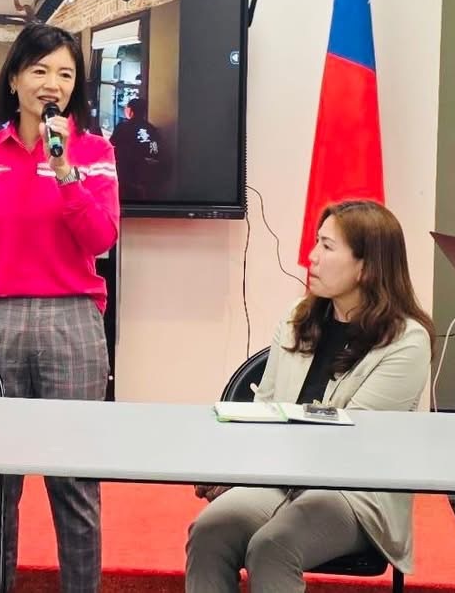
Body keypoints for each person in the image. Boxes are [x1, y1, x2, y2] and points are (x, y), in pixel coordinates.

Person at [0, 22, 119, 592]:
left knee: (75, 481)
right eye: (40, 70)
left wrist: (66, 173)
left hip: (72, 320)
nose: (52, 84)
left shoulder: (94, 152)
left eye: (65, 73)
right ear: (14, 78)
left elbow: (101, 238)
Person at [185, 199, 434, 593]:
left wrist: (257, 467)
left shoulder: (406, 342)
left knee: (273, 546)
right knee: (209, 531)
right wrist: (236, 470)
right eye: (317, 243)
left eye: (327, 247)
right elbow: (264, 409)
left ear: (367, 267)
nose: (311, 257)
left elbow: (350, 442)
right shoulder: (296, 317)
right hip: (280, 479)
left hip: (355, 494)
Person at [109, 98, 165, 199]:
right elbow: (155, 149)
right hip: (147, 173)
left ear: (130, 110)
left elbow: (112, 143)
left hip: (126, 170)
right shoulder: (151, 128)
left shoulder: (123, 127)